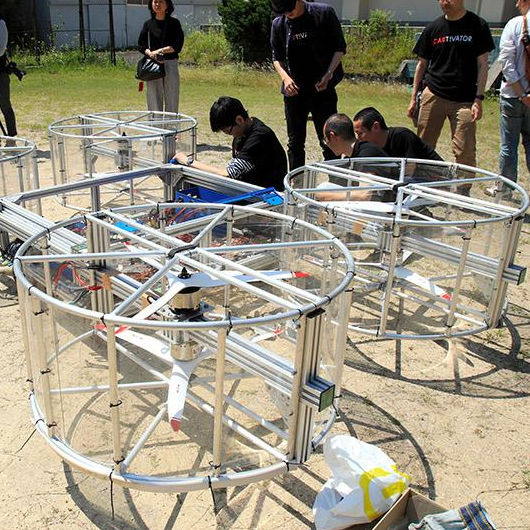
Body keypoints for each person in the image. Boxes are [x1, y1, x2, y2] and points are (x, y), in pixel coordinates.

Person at [407, 0, 495, 169]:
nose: (445, 1)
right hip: (433, 94)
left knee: (465, 151)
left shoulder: (477, 25)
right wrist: (413, 98)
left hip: (465, 100)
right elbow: (421, 65)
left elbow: (483, 64)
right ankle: (420, 180)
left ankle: (463, 184)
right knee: (423, 147)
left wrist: (478, 99)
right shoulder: (433, 28)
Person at [270, 0, 347, 170]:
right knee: (295, 143)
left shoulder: (324, 13)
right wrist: (285, 78)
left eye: (290, 10)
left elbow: (339, 48)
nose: (287, 15)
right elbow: (277, 57)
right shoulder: (279, 24)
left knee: (330, 140)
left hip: (322, 89)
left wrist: (329, 74)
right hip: (294, 93)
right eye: (283, 13)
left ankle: (335, 180)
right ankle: (296, 182)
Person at [172, 97, 287, 191]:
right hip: (248, 187)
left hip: (266, 194)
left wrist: (188, 161)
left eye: (228, 131)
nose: (229, 135)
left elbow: (227, 174)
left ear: (239, 120)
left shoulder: (259, 137)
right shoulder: (243, 131)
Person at [486, 0, 530, 198]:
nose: (517, 3)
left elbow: (506, 63)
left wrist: (522, 94)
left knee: (508, 146)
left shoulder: (514, 24)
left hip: (513, 96)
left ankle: (504, 190)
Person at [318, 113, 392, 201]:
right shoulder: (351, 157)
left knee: (323, 190)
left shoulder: (367, 152)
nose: (326, 143)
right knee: (324, 187)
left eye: (325, 139)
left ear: (332, 136)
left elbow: (364, 194)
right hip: (378, 203)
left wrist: (326, 197)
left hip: (391, 204)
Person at [138, 0, 184, 113]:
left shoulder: (175, 23)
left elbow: (177, 45)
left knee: (172, 96)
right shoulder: (148, 24)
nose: (157, 4)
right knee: (153, 96)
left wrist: (159, 51)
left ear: (167, 5)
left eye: (161, 2)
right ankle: (155, 123)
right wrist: (151, 54)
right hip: (153, 64)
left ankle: (171, 122)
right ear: (151, 4)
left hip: (170, 63)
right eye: (155, 2)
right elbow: (141, 45)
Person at [353, 107, 443, 161]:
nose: (359, 138)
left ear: (376, 127)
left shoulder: (403, 136)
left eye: (360, 133)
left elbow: (411, 169)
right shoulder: (369, 147)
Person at [0, 18, 17, 139]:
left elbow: (1, 50)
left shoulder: (0, 24)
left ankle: (12, 136)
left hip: (0, 73)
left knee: (5, 104)